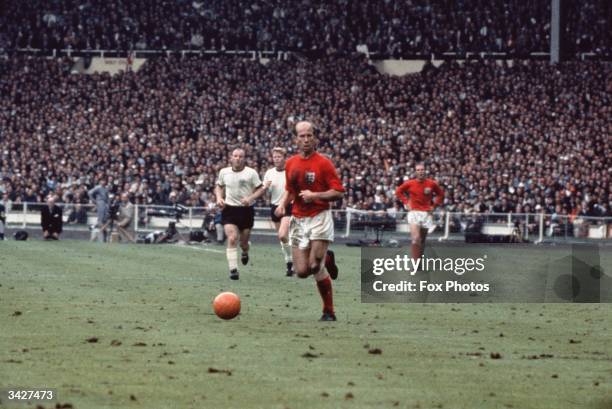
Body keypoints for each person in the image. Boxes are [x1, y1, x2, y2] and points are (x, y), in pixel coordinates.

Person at [275, 121, 344, 321]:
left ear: (315, 138)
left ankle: (328, 311)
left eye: (309, 135)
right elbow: (290, 190)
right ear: (296, 139)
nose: (306, 139)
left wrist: (316, 196)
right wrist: (282, 204)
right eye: (302, 136)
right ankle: (328, 258)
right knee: (302, 271)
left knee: (315, 266)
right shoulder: (291, 163)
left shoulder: (324, 163)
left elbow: (338, 192)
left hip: (319, 217)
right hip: (298, 219)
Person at [215, 148, 266, 280]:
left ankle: (245, 251)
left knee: (243, 242)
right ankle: (233, 270)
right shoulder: (224, 172)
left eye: (240, 156)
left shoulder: (251, 173)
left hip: (246, 210)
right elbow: (219, 186)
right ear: (231, 158)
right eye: (235, 156)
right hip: (229, 209)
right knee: (232, 238)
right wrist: (219, 198)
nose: (237, 158)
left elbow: (261, 189)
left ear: (244, 159)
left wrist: (250, 198)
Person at [395, 162, 444, 261]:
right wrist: (406, 202)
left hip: (426, 214)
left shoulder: (431, 183)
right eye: (418, 170)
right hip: (414, 213)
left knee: (422, 240)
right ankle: (415, 263)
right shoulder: (410, 183)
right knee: (416, 238)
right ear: (415, 172)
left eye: (422, 169)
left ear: (425, 171)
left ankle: (419, 260)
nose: (420, 171)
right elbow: (398, 191)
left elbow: (441, 195)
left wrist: (434, 206)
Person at [263, 147, 294, 276]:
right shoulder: (269, 173)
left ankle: (291, 261)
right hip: (274, 207)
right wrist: (266, 189)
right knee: (282, 238)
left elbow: (293, 191)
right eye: (274, 157)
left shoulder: (290, 172)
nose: (276, 159)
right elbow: (266, 196)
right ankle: (289, 263)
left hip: (288, 206)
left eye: (279, 157)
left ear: (284, 158)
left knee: (282, 234)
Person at [88, 176, 110, 240]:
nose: (103, 182)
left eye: (104, 180)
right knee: (100, 219)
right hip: (100, 203)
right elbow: (89, 193)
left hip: (105, 204)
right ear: (100, 181)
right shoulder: (98, 187)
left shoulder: (106, 188)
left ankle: (94, 227)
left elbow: (107, 197)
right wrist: (94, 201)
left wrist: (108, 204)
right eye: (102, 180)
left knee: (104, 219)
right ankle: (104, 233)